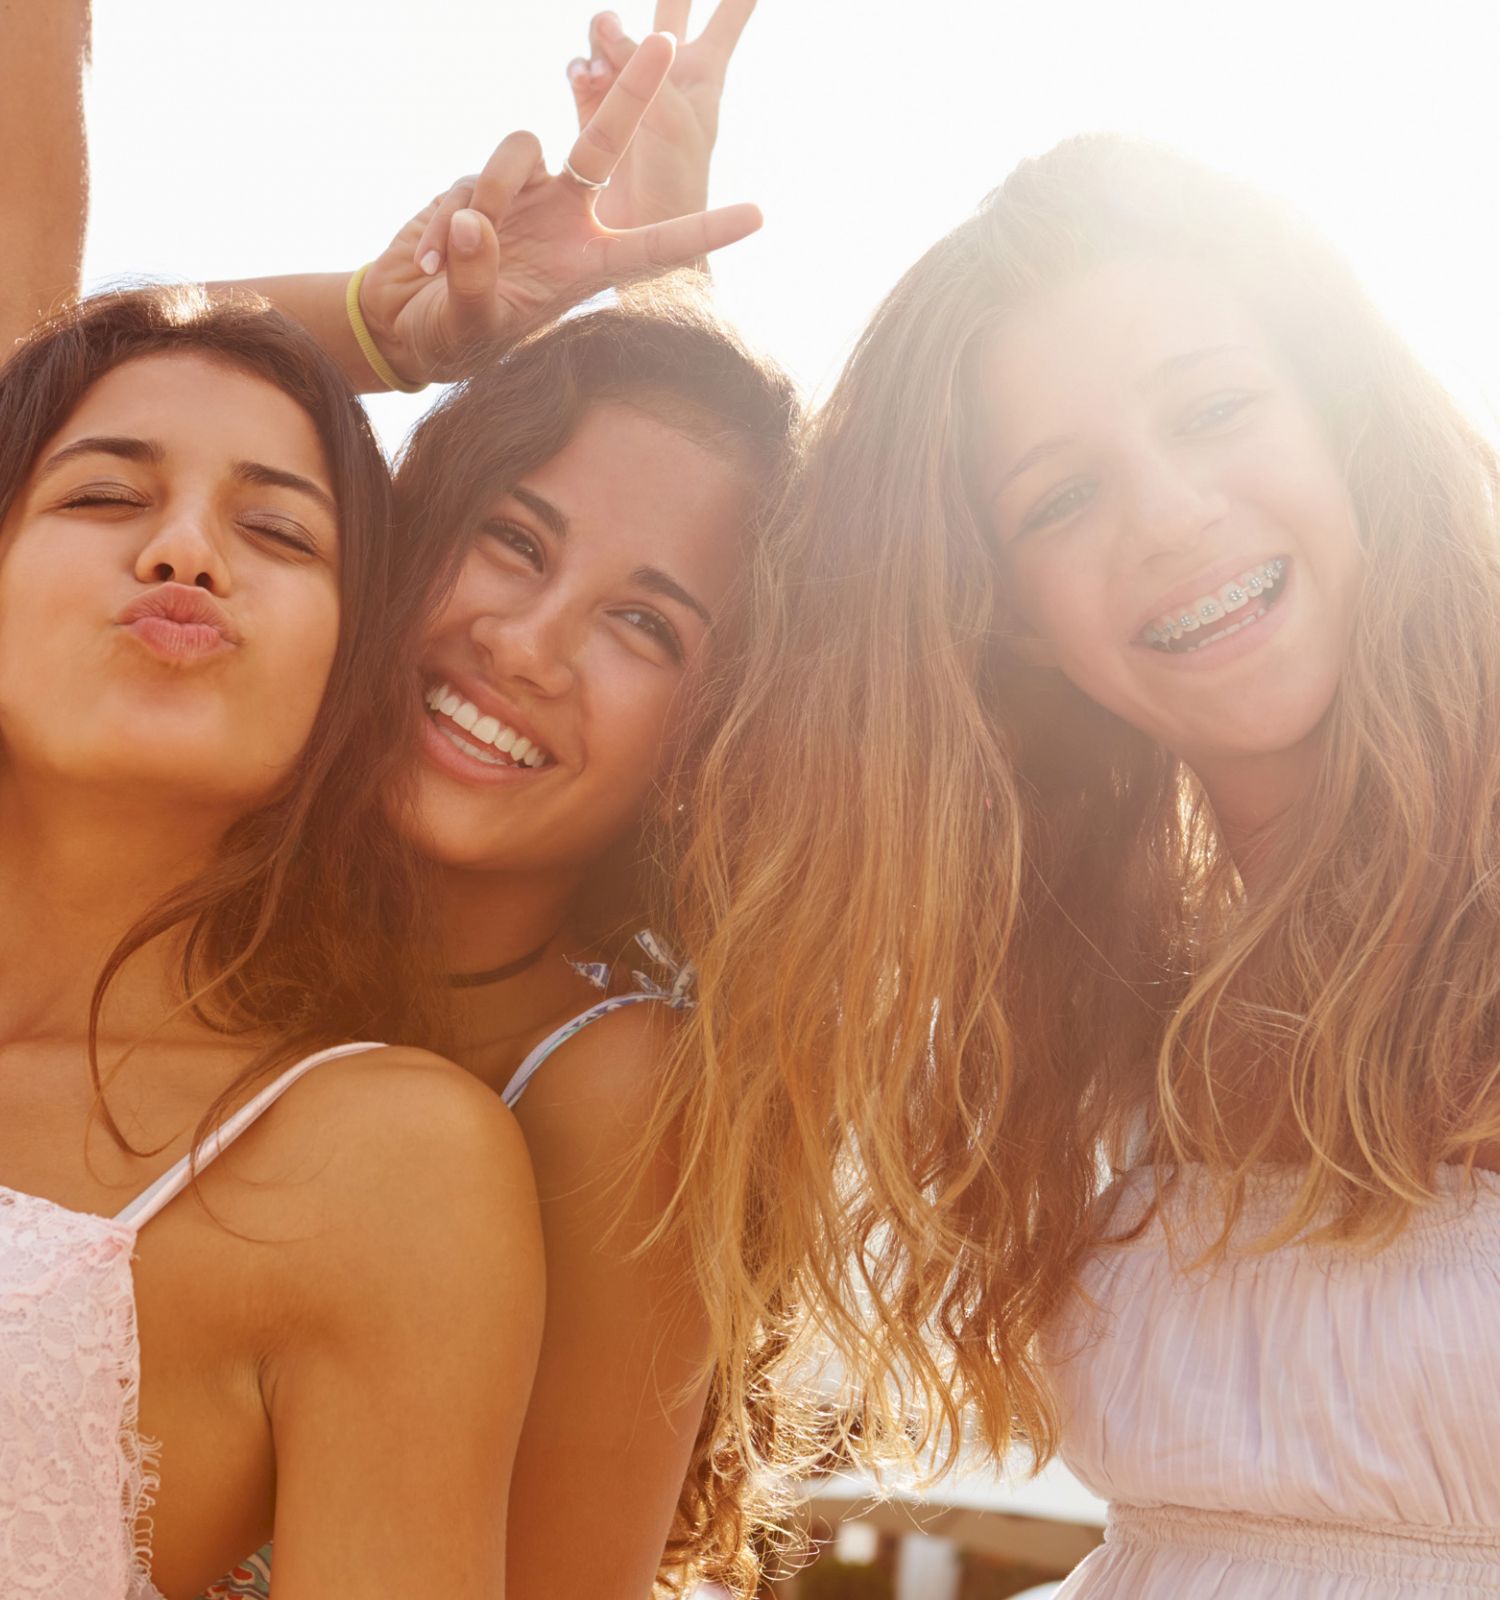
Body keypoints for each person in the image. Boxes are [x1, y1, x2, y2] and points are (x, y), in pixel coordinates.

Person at [674, 133, 1500, 1597]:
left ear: (1346, 429)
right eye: (1062, 499)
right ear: (1015, 622)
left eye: (1218, 410)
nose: (1173, 518)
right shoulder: (1120, 1005)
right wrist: (668, 291)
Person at [0, 286, 543, 1597]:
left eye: (280, 530)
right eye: (102, 496)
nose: (186, 550)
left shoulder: (376, 1163)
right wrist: (370, 321)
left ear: (349, 663)